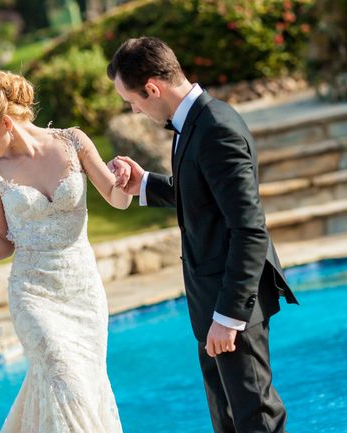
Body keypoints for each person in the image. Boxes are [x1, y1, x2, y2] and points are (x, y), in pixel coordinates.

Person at [107, 37, 299, 433]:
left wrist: (229, 316)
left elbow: (249, 229)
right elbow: (203, 192)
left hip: (233, 304)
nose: (134, 110)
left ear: (152, 89)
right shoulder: (192, 122)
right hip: (211, 303)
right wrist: (145, 184)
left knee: (256, 420)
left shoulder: (216, 127)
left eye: (132, 101)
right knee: (228, 420)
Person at [0, 71, 129, 432]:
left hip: (83, 291)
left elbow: (116, 198)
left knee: (85, 384)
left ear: (6, 123)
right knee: (64, 378)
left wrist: (127, 181)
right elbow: (2, 240)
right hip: (33, 294)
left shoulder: (73, 142)